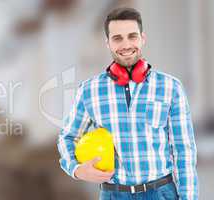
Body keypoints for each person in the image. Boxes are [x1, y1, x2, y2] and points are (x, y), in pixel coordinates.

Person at [56, 7, 198, 200]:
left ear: (142, 38)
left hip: (161, 193)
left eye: (132, 36)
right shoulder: (89, 90)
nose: (126, 44)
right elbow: (68, 136)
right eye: (117, 38)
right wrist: (77, 169)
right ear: (108, 43)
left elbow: (183, 150)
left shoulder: (171, 87)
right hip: (114, 194)